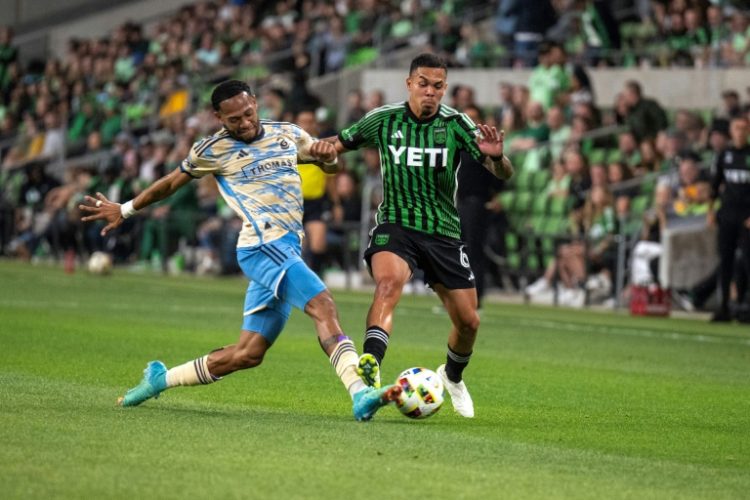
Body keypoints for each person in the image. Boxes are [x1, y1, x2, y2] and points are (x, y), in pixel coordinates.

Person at [79, 80, 401, 421]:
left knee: (248, 353)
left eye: (248, 113)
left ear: (256, 104)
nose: (245, 123)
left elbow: (329, 164)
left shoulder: (288, 134)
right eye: (234, 119)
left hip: (287, 246)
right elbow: (171, 183)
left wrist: (328, 159)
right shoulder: (212, 150)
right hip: (262, 245)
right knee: (322, 304)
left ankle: (160, 379)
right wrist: (125, 209)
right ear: (218, 117)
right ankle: (360, 392)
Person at [327, 53, 513, 418]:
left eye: (438, 86)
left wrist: (496, 159)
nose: (430, 92)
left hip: (443, 232)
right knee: (388, 285)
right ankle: (371, 365)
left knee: (468, 322)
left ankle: (453, 376)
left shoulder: (457, 124)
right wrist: (300, 152)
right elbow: (338, 143)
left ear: (445, 88)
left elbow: (503, 173)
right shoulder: (383, 120)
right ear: (410, 83)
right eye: (424, 84)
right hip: (396, 225)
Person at [708, 116, 750, 322]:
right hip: (727, 216)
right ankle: (723, 306)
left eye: (743, 128)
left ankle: (746, 305)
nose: (740, 132)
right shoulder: (724, 155)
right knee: (725, 261)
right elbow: (714, 187)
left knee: (748, 261)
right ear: (731, 132)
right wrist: (710, 211)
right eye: (736, 128)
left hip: (747, 218)